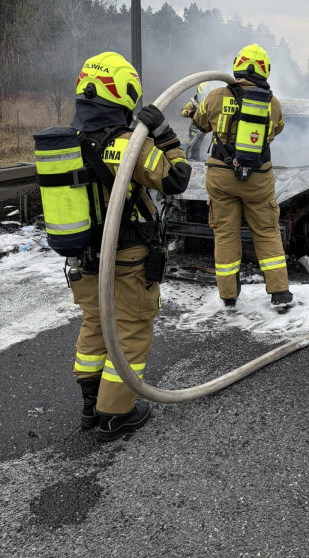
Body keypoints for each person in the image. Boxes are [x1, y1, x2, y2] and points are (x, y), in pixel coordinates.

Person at [69, 51, 191, 441]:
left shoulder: (68, 140)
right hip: (126, 257)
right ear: (123, 94)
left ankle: (91, 403)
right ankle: (115, 414)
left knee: (95, 323)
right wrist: (166, 136)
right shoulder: (126, 144)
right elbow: (177, 179)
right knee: (132, 329)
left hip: (84, 257)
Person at [192, 44, 294, 312]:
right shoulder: (272, 103)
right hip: (259, 178)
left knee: (225, 234)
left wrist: (191, 111)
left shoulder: (215, 96)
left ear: (237, 65)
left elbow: (200, 123)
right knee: (267, 232)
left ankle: (228, 296)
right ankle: (280, 293)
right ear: (264, 70)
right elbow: (278, 128)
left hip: (221, 176)